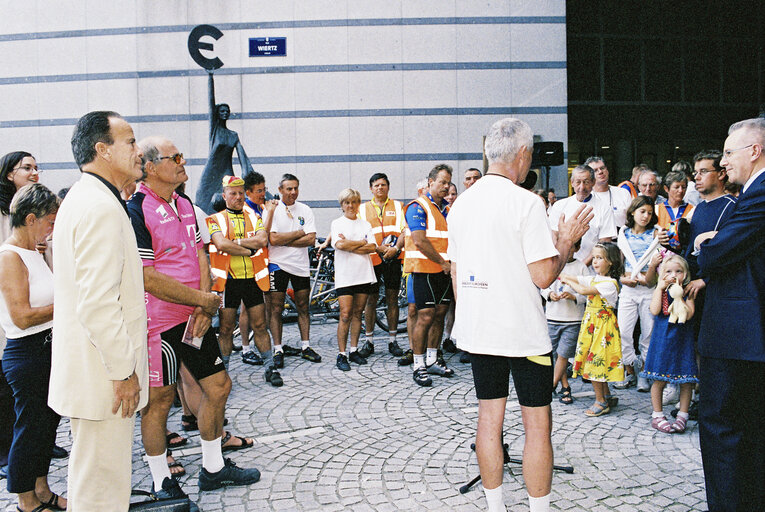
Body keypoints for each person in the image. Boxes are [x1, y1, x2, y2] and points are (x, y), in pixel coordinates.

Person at [448, 117, 592, 512]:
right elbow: (545, 276)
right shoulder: (526, 202)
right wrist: (565, 241)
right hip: (524, 334)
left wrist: (472, 317)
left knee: (488, 421)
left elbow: (457, 271)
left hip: (479, 330)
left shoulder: (462, 203)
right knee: (536, 426)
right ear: (524, 155)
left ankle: (496, 507)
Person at [129, 140, 260, 502]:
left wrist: (204, 307)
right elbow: (147, 276)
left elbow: (200, 255)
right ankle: (161, 482)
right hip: (159, 323)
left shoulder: (185, 203)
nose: (184, 162)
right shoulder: (136, 209)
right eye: (176, 158)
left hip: (194, 316)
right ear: (152, 167)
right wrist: (201, 300)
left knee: (218, 387)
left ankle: (213, 468)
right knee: (159, 401)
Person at [48, 111, 149, 511]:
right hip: (104, 380)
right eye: (129, 141)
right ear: (102, 150)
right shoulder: (99, 206)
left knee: (96, 483)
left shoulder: (90, 197)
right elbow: (98, 302)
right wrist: (123, 372)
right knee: (101, 492)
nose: (138, 150)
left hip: (96, 376)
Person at [696, 118, 765, 511]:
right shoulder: (750, 194)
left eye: (728, 152)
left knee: (724, 431)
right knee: (749, 433)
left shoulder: (759, 193)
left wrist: (709, 245)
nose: (724, 163)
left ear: (754, 151)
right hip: (744, 337)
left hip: (738, 337)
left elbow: (717, 255)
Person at [0, 184, 66, 512]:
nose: (52, 229)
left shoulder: (35, 251)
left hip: (47, 349)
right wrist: (67, 304)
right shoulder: (9, 256)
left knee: (46, 426)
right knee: (28, 428)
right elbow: (22, 317)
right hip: (26, 354)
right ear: (30, 219)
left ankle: (42, 488)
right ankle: (25, 500)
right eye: (50, 222)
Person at [207, 176, 279, 387]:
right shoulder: (215, 219)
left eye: (240, 193)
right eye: (233, 193)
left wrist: (235, 243)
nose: (237, 197)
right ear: (224, 196)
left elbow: (262, 240)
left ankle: (270, 367)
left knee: (260, 325)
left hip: (252, 280)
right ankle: (224, 373)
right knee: (226, 329)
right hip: (227, 282)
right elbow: (221, 244)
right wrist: (249, 249)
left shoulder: (253, 216)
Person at [0, 152, 42, 483]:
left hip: (42, 340)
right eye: (26, 167)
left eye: (36, 166)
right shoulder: (10, 240)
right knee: (24, 417)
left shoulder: (34, 244)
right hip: (18, 331)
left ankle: (39, 487)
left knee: (40, 421)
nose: (34, 172)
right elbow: (22, 315)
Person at [404, 164, 455, 387]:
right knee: (424, 316)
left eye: (448, 183)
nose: (445, 186)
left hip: (444, 272)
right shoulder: (417, 206)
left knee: (440, 315)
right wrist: (443, 263)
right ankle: (418, 364)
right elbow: (419, 240)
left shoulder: (447, 209)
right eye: (442, 182)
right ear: (430, 182)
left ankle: (433, 359)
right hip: (425, 270)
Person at [560, 242, 624, 417]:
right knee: (595, 359)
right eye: (594, 257)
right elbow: (577, 279)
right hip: (592, 326)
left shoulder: (609, 283)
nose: (595, 261)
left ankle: (600, 401)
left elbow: (582, 289)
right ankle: (606, 395)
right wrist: (560, 273)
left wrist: (567, 280)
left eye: (600, 258)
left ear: (610, 261)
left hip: (603, 328)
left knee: (595, 362)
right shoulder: (596, 278)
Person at [267, 174, 321, 367]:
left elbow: (311, 239)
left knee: (303, 306)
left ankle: (306, 346)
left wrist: (286, 238)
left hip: (300, 266)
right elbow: (272, 239)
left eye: (296, 188)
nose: (293, 192)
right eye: (289, 189)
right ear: (280, 190)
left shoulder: (305, 209)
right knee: (275, 308)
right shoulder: (272, 209)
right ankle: (278, 348)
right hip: (277, 264)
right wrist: (299, 233)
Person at [640, 254, 698, 434]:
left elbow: (688, 314)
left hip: (682, 339)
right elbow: (655, 310)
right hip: (663, 339)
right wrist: (659, 288)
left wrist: (680, 296)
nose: (674, 275)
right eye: (669, 271)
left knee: (686, 380)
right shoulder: (661, 291)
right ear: (661, 274)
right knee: (659, 378)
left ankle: (683, 415)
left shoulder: (687, 291)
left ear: (685, 274)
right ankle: (657, 415)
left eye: (678, 271)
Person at [614, 196, 661, 392]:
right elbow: (618, 263)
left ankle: (644, 373)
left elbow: (658, 262)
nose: (646, 216)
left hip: (648, 289)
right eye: (642, 212)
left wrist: (648, 277)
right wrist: (622, 279)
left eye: (650, 213)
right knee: (624, 331)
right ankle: (629, 369)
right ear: (632, 212)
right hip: (628, 289)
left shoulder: (655, 235)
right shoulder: (623, 234)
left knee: (648, 333)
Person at [356, 173, 406, 358]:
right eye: (376, 185)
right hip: (372, 258)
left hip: (393, 257)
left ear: (388, 187)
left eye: (383, 185)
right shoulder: (362, 208)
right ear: (371, 188)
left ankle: (393, 340)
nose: (380, 188)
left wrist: (395, 248)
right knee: (371, 300)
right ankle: (368, 341)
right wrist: (377, 248)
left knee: (393, 299)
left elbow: (404, 230)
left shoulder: (398, 206)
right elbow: (360, 234)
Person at [330, 189, 377, 370]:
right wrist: (361, 243)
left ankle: (354, 350)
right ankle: (341, 354)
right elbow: (339, 244)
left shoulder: (365, 224)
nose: (350, 206)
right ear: (342, 205)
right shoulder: (337, 223)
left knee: (358, 313)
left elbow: (372, 247)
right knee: (345, 314)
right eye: (347, 202)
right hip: (345, 275)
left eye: (354, 202)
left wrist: (351, 243)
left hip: (363, 274)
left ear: (358, 204)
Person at [195, 72, 254, 213]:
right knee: (203, 203)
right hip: (210, 173)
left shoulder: (233, 135)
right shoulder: (214, 130)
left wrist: (249, 175)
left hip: (226, 171)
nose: (225, 113)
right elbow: (211, 103)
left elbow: (243, 158)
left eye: (227, 111)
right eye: (222, 111)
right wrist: (210, 78)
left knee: (230, 198)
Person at [238, 172, 278, 364]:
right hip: (249, 264)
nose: (263, 194)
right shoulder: (246, 210)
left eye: (265, 189)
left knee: (263, 306)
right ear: (248, 192)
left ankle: (261, 344)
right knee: (246, 307)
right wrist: (269, 212)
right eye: (259, 191)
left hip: (263, 264)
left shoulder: (260, 206)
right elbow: (265, 235)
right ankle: (245, 348)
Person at [540, 240, 586, 405]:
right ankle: (565, 385)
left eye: (571, 247)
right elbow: (543, 285)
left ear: (577, 248)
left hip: (572, 319)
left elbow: (588, 293)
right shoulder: (553, 264)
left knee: (564, 354)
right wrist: (549, 294)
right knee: (554, 354)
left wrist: (575, 297)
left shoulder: (581, 267)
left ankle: (550, 386)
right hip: (552, 317)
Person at [547, 165, 617, 267]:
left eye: (586, 182)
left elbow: (604, 243)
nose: (582, 187)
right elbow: (554, 236)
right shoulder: (559, 205)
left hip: (591, 269)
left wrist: (581, 267)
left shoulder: (604, 208)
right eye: (578, 182)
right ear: (572, 183)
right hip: (562, 267)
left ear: (593, 182)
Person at [397, 178, 429, 367]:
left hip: (431, 267)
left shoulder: (436, 211)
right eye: (424, 190)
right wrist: (394, 248)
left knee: (431, 311)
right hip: (412, 267)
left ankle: (432, 349)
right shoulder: (412, 210)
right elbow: (403, 233)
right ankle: (412, 348)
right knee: (412, 309)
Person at [585, 156, 633, 227]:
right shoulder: (586, 198)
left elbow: (632, 219)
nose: (600, 172)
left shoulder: (623, 193)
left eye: (602, 168)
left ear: (607, 171)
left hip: (620, 236)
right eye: (595, 170)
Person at [655, 170, 694, 254]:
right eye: (676, 187)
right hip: (661, 256)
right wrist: (655, 236)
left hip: (685, 256)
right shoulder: (656, 209)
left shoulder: (693, 210)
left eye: (683, 187)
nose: (680, 190)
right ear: (666, 189)